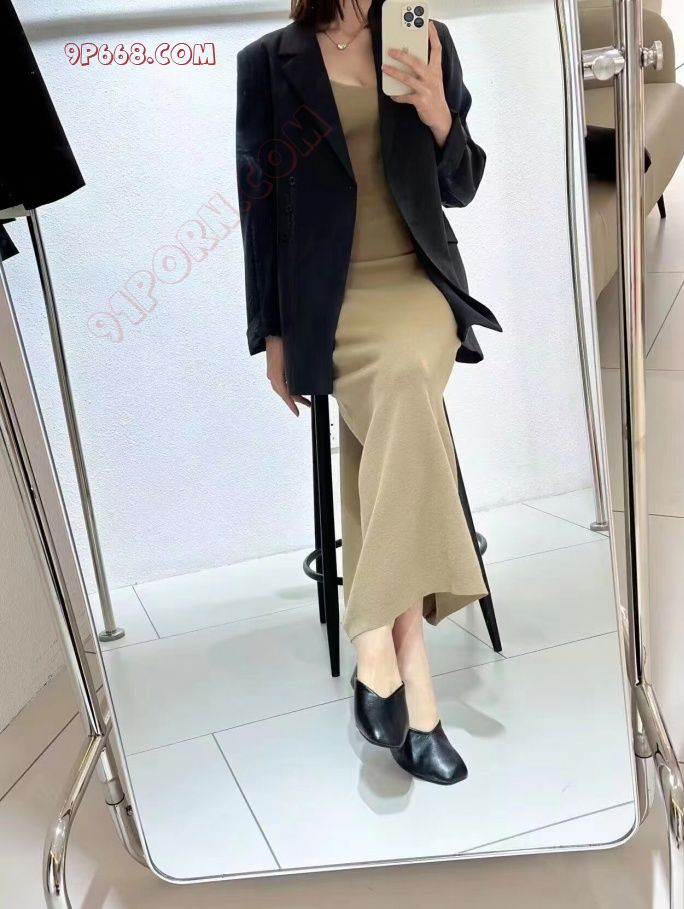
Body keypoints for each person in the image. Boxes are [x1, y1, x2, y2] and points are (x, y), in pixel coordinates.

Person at [236, 0, 501, 785]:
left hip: (417, 287)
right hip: (331, 305)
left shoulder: (427, 40)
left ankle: (375, 649)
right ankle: (414, 688)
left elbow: (461, 186)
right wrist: (272, 335)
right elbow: (259, 208)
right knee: (395, 410)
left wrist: (440, 114)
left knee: (405, 377)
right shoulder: (269, 62)